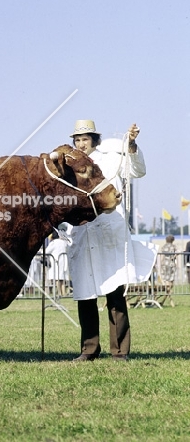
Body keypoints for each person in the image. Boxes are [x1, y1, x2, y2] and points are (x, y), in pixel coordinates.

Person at [66, 120, 156, 362]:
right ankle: (89, 350)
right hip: (84, 233)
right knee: (85, 294)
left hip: (109, 232)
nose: (81, 143)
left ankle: (120, 351)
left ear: (95, 140)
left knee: (115, 295)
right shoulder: (70, 167)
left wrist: (133, 145)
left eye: (85, 138)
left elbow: (138, 171)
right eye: (77, 139)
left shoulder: (112, 158)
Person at [45, 228, 69, 298]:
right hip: (63, 260)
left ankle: (59, 293)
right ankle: (63, 292)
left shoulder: (54, 243)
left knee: (57, 279)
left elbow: (47, 251)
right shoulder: (64, 242)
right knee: (62, 278)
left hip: (56, 261)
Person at [159, 235, 177, 307]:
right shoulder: (174, 247)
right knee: (171, 278)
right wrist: (173, 257)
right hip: (171, 263)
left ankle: (167, 290)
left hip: (164, 264)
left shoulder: (163, 247)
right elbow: (176, 254)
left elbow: (162, 256)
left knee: (166, 279)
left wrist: (160, 264)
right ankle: (169, 291)